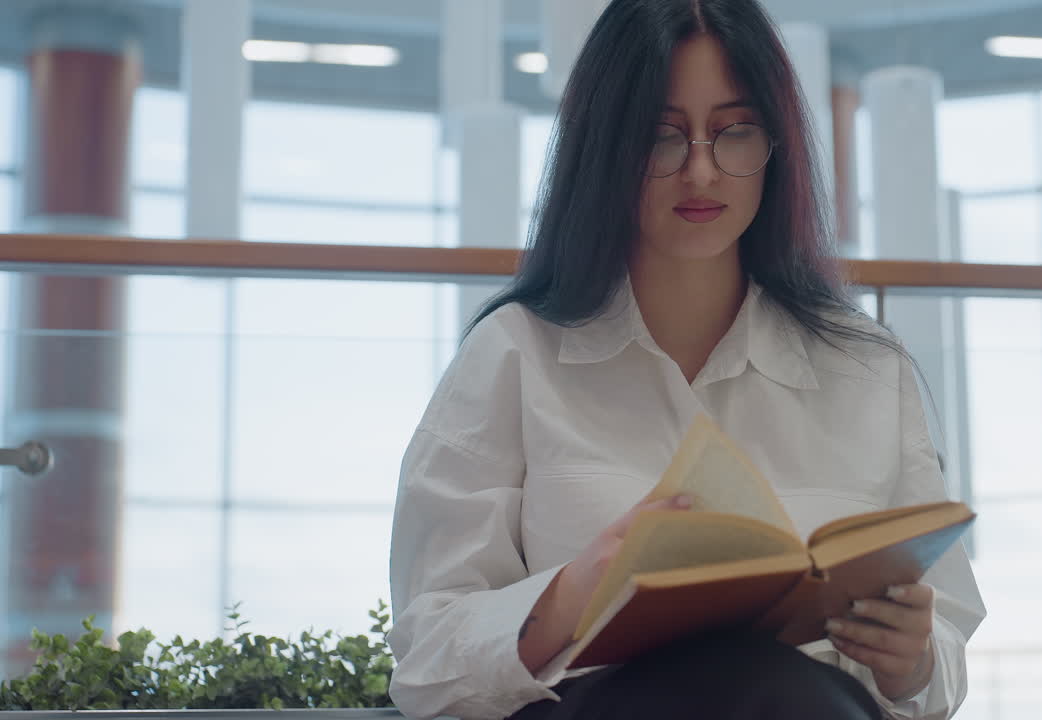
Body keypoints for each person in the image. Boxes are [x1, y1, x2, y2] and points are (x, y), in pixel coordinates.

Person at [387, 0, 985, 718]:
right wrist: (572, 595)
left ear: (775, 143)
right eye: (661, 137)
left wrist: (912, 660)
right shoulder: (515, 353)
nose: (701, 171)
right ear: (605, 148)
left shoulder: (867, 368)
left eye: (733, 132)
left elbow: (944, 654)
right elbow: (425, 661)